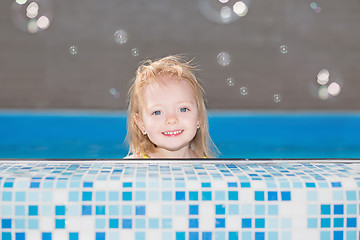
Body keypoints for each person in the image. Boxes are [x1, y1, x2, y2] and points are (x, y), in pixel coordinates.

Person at [124, 55, 218, 158]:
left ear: (198, 117)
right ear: (141, 123)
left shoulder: (208, 166)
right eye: (157, 112)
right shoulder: (134, 166)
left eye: (183, 109)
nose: (172, 119)